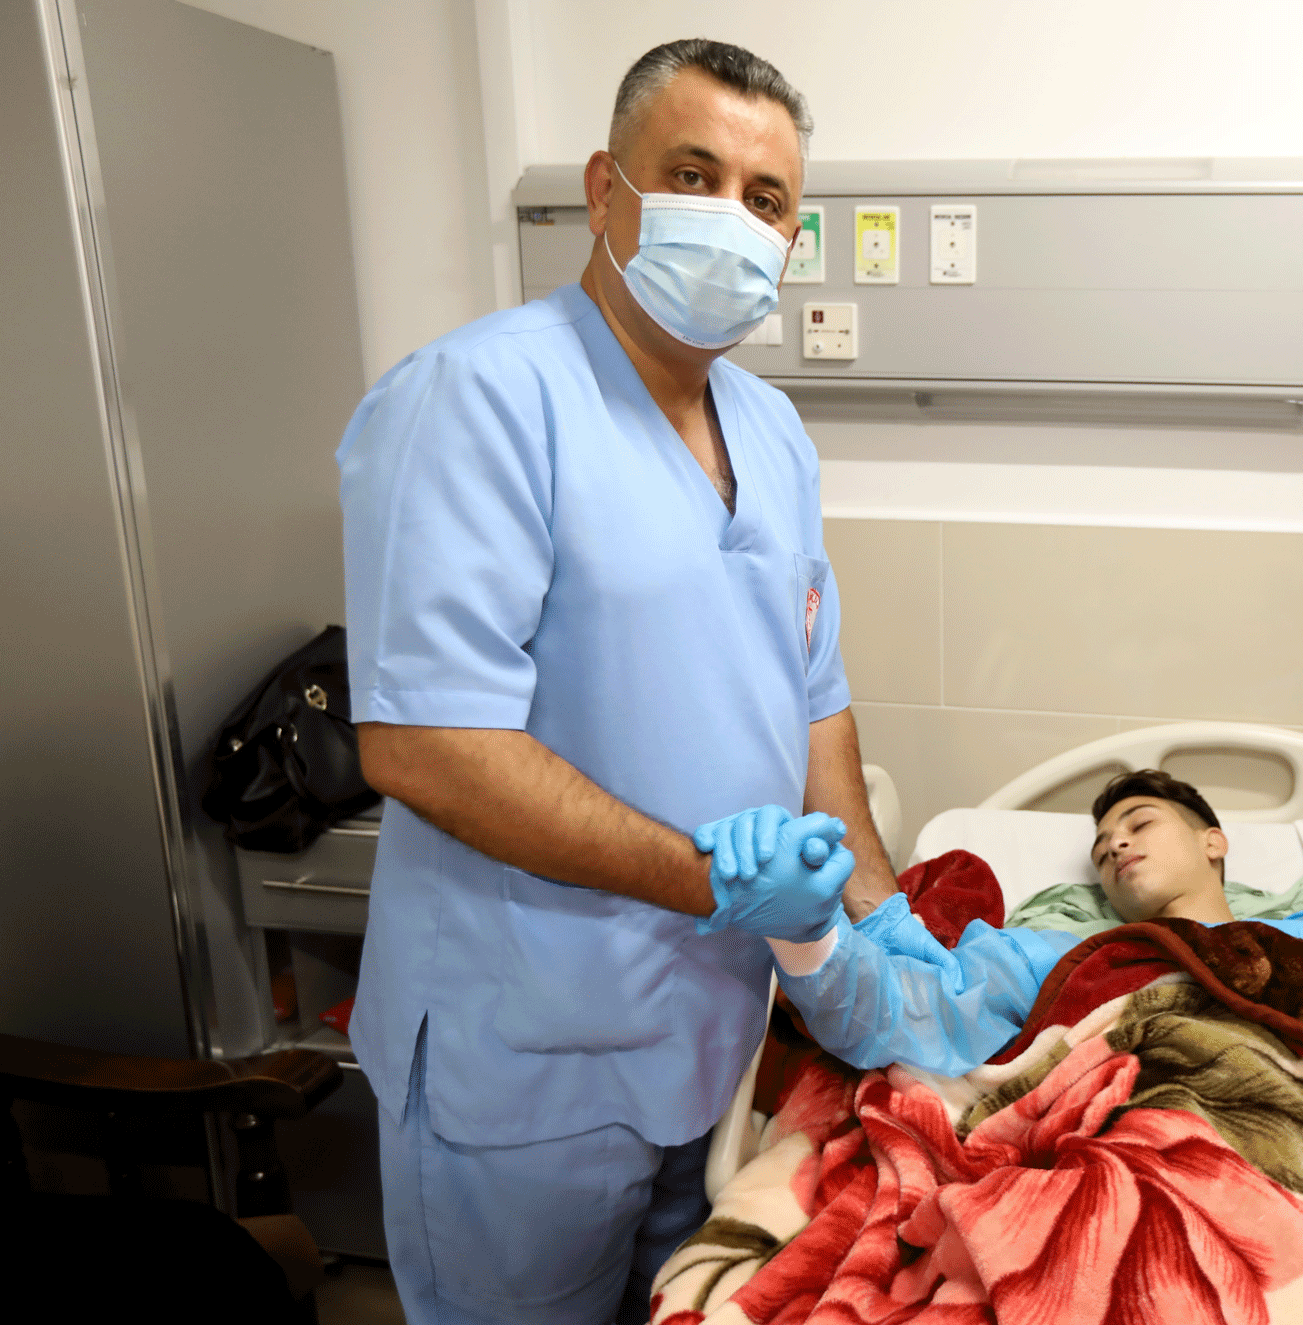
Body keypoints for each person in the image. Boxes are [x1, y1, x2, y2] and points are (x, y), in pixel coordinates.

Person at [337, 39, 895, 1325]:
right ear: (602, 190)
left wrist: (886, 925)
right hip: (522, 1061)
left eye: (763, 198)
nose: (730, 217)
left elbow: (815, 705)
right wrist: (714, 882)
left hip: (705, 1049)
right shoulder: (474, 401)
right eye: (690, 174)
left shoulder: (773, 432)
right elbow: (425, 746)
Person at [763, 770, 1303, 1087]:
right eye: (1102, 845)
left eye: (1139, 823)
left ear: (1214, 841)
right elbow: (918, 1009)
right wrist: (808, 938)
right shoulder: (1067, 954)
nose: (1115, 844)